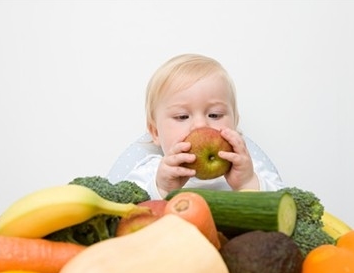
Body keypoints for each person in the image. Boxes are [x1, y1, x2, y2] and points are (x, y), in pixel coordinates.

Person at [108, 53, 284, 199]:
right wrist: (161, 189)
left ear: (235, 123)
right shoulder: (151, 172)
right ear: (155, 132)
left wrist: (247, 183)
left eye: (214, 115)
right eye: (182, 116)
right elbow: (124, 215)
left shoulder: (250, 168)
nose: (200, 125)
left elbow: (288, 209)